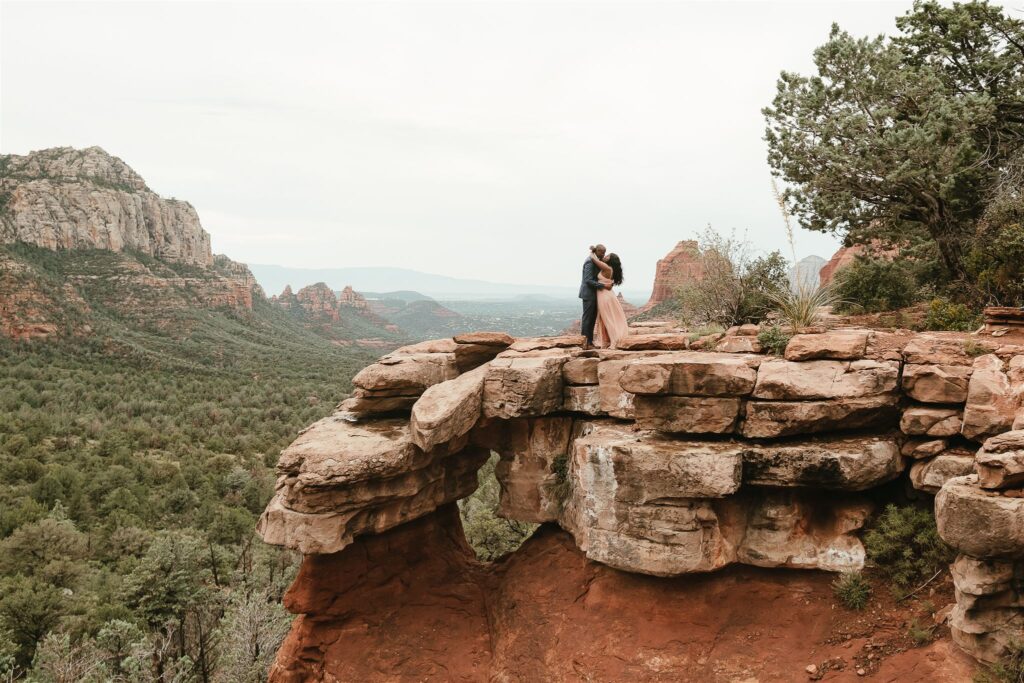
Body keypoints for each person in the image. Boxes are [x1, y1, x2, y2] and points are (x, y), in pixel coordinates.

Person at [590, 249, 628, 348]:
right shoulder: (609, 268)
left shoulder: (607, 268)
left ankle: (614, 341)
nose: (605, 256)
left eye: (607, 256)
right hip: (607, 294)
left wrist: (592, 250)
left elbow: (594, 259)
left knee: (607, 318)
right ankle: (607, 341)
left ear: (610, 261)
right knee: (606, 318)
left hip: (604, 296)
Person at [578, 244, 606, 349]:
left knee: (592, 318)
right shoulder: (590, 261)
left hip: (593, 294)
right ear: (597, 251)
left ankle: (589, 341)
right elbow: (588, 280)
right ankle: (585, 342)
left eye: (604, 252)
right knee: (588, 318)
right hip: (588, 294)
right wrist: (603, 285)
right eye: (602, 252)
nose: (603, 255)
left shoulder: (594, 260)